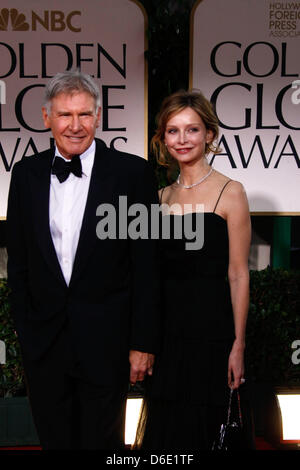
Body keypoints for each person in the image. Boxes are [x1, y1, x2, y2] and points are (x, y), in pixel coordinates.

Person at [6, 70, 160, 450]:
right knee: (54, 441)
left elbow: (147, 265)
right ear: (46, 118)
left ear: (99, 116)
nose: (75, 126)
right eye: (64, 115)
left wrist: (142, 342)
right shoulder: (25, 175)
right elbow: (20, 263)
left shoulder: (133, 174)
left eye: (84, 115)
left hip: (106, 343)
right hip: (45, 344)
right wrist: (27, 333)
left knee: (103, 444)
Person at [135, 89, 253, 450]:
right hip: (168, 339)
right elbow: (149, 276)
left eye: (192, 130)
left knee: (209, 431)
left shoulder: (230, 192)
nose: (182, 139)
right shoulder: (158, 198)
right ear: (162, 139)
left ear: (209, 135)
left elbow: (238, 274)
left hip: (213, 335)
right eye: (173, 131)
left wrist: (238, 345)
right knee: (168, 437)